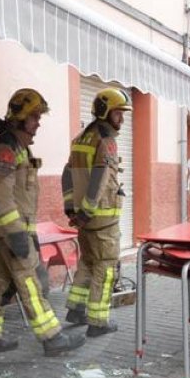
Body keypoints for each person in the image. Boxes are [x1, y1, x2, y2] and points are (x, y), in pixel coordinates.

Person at [0, 88, 86, 356]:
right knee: (30, 282)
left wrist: (25, 232)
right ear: (20, 117)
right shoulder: (6, 148)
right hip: (9, 232)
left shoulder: (18, 147)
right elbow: (3, 198)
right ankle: (52, 338)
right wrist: (16, 235)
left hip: (9, 231)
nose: (38, 123)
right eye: (34, 117)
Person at [61, 87, 132, 336]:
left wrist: (72, 209)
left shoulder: (80, 138)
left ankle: (75, 309)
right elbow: (100, 178)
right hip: (102, 218)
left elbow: (67, 173)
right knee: (106, 266)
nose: (122, 119)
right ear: (104, 113)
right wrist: (89, 210)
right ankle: (97, 322)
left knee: (88, 263)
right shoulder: (106, 141)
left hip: (84, 218)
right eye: (117, 114)